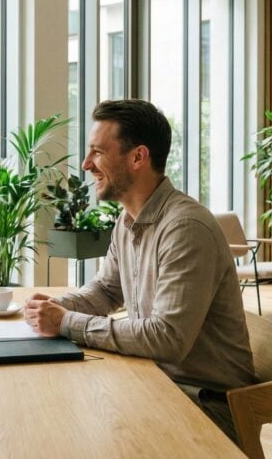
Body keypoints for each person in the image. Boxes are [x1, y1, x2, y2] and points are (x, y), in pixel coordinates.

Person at [23, 99, 256, 442]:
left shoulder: (185, 228)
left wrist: (66, 322)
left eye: (98, 152)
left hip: (204, 403)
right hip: (156, 379)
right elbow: (106, 291)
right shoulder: (128, 220)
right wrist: (54, 307)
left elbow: (167, 339)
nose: (87, 164)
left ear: (137, 158)